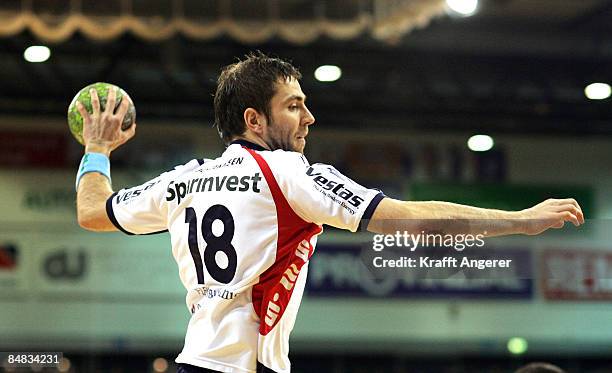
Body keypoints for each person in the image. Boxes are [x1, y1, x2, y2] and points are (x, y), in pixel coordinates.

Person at [75, 52, 584, 373]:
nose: (309, 117)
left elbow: (93, 211)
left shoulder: (182, 180)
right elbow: (415, 219)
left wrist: (96, 148)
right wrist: (524, 219)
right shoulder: (289, 173)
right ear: (254, 119)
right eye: (294, 105)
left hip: (196, 362)